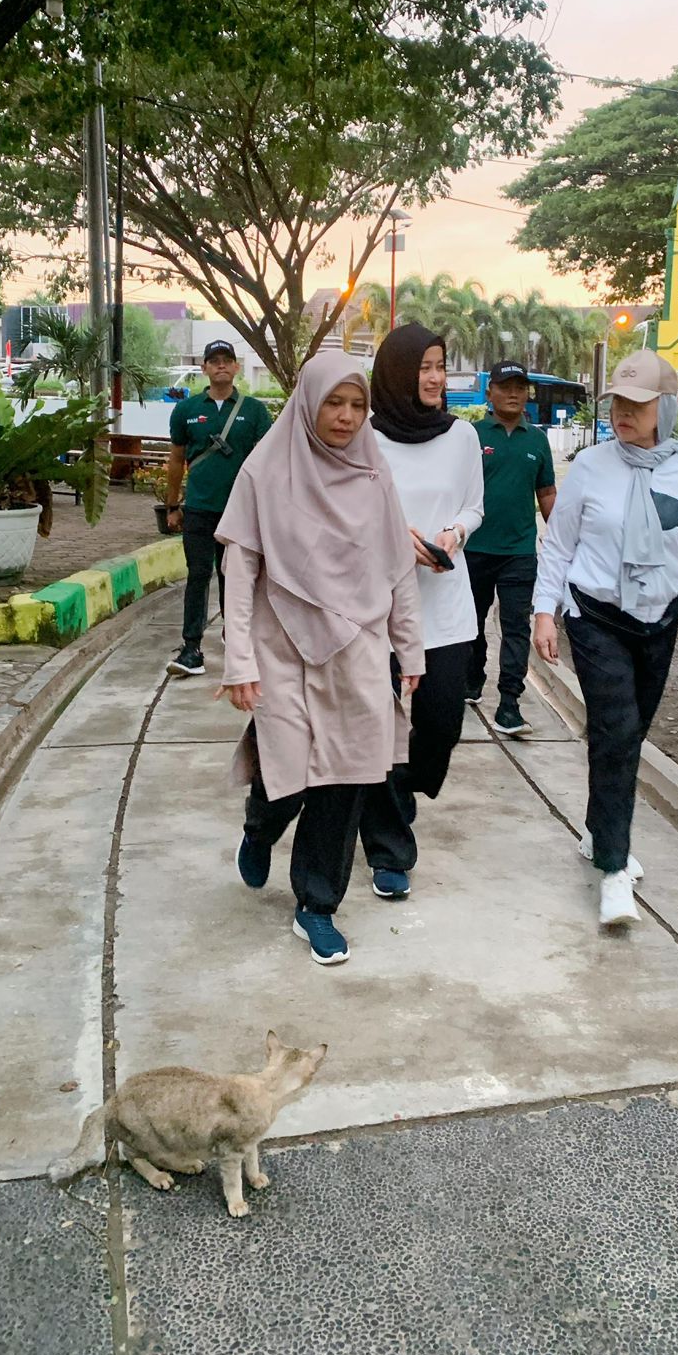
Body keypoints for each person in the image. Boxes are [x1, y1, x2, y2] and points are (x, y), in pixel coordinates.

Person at [532, 349, 678, 930]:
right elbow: (559, 544)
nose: (622, 416)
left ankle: (598, 831)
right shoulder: (590, 467)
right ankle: (613, 868)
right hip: (594, 615)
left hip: (659, 619)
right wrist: (544, 612)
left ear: (664, 407)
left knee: (628, 736)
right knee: (617, 728)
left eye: (637, 405)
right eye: (616, 404)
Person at [216, 352, 424, 966]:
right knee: (288, 769)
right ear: (308, 401)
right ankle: (260, 825)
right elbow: (240, 566)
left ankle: (316, 905)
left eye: (358, 405)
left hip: (357, 643)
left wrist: (408, 646)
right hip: (280, 646)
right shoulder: (264, 469)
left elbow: (397, 567)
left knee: (349, 776)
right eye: (335, 402)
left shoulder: (374, 474)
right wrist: (238, 661)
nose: (346, 417)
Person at [359, 322, 485, 900]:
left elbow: (473, 506)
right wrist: (393, 538)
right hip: (376, 614)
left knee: (439, 728)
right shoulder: (362, 439)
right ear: (396, 372)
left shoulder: (461, 437)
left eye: (441, 365)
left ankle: (402, 789)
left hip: (446, 609)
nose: (435, 378)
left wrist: (454, 534)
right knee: (379, 733)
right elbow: (347, 517)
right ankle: (389, 851)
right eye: (424, 367)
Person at [164, 339, 271, 677]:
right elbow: (177, 460)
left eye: (227, 360)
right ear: (205, 369)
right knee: (198, 575)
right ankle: (192, 648)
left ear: (236, 367)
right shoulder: (186, 411)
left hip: (239, 512)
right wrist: (172, 505)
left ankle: (235, 636)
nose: (221, 365)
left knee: (234, 577)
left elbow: (266, 462)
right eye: (214, 361)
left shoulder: (254, 411)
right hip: (198, 507)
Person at [465, 359, 557, 736]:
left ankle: (509, 704)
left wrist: (565, 539)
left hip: (520, 552)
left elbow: (547, 492)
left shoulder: (536, 440)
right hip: (474, 549)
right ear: (490, 392)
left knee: (516, 628)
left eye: (520, 387)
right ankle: (471, 679)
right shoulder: (470, 435)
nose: (514, 393)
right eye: (505, 387)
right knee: (470, 624)